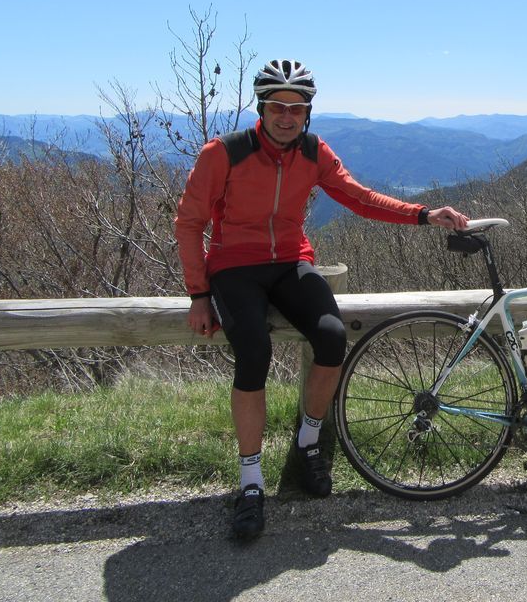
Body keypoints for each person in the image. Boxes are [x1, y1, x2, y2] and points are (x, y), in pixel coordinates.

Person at [175, 59, 469, 540]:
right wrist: (198, 294)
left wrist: (423, 214)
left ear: (308, 112)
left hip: (291, 258)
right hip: (234, 266)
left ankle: (308, 445)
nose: (286, 117)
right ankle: (251, 484)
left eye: (297, 108)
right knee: (253, 351)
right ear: (261, 108)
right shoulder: (224, 153)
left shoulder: (313, 152)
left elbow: (359, 197)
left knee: (332, 338)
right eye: (277, 107)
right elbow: (189, 223)